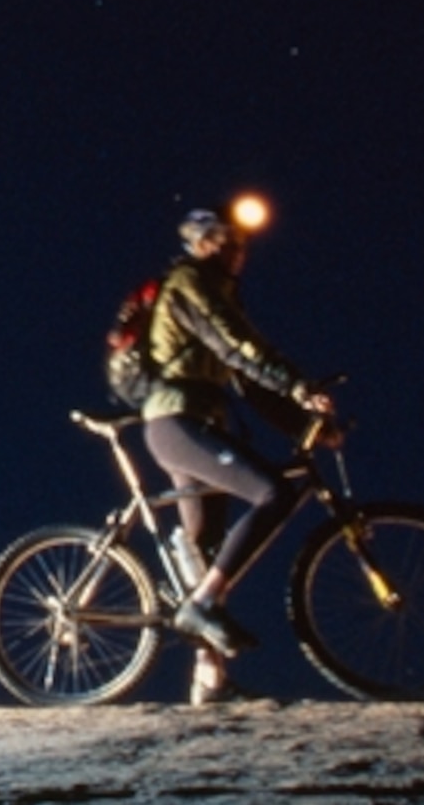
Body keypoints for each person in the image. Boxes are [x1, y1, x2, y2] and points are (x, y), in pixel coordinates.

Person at [139, 203, 336, 705]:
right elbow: (236, 347)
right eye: (227, 242)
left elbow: (243, 379)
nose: (238, 253)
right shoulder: (190, 283)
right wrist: (298, 386)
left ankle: (209, 682)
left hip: (198, 422)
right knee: (274, 492)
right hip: (175, 421)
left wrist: (303, 423)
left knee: (206, 554)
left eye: (242, 245)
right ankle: (201, 605)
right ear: (203, 244)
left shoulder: (218, 290)